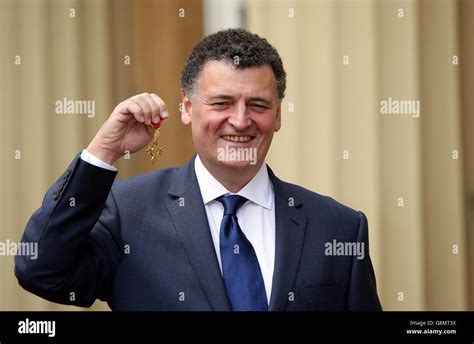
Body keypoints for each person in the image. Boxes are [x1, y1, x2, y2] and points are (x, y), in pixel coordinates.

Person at [15, 29, 382, 311]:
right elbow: (41, 270)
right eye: (221, 102)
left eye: (257, 104)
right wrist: (104, 150)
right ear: (187, 108)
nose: (240, 121)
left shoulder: (339, 228)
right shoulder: (128, 213)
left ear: (278, 115)